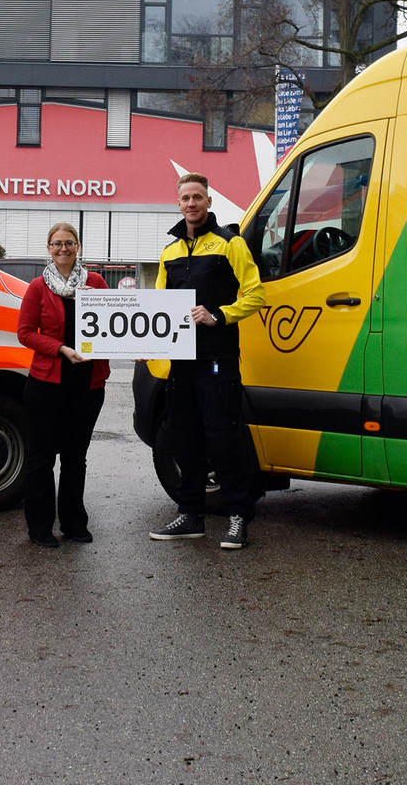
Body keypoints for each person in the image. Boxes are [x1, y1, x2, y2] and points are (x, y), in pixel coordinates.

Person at [149, 173, 266, 549]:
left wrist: (219, 315)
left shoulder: (230, 244)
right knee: (184, 439)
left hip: (217, 358)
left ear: (208, 201)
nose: (191, 203)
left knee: (223, 438)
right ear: (178, 203)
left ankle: (238, 517)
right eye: (185, 198)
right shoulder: (168, 252)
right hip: (181, 363)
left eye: (197, 197)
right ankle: (190, 515)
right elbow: (157, 308)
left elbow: (256, 294)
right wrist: (142, 341)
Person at [14, 222, 111, 547]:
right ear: (49, 248)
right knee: (42, 458)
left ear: (78, 246)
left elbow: (116, 326)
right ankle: (40, 527)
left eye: (69, 243)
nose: (63, 248)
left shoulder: (96, 283)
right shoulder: (38, 287)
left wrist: (137, 347)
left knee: (75, 457)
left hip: (88, 385)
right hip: (46, 386)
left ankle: (73, 523)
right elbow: (25, 332)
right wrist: (60, 349)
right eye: (57, 243)